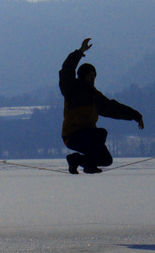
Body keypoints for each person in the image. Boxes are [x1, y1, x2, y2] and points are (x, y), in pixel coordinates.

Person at [59, 37, 144, 174]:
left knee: (106, 160)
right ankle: (88, 166)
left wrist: (135, 115)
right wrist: (80, 51)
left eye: (94, 76)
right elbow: (67, 69)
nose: (93, 78)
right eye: (90, 75)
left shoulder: (94, 96)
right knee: (101, 132)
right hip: (73, 136)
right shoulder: (71, 89)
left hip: (89, 137)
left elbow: (112, 108)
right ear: (82, 76)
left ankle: (76, 160)